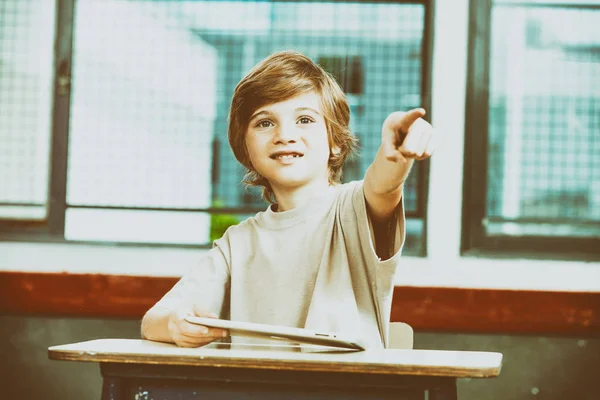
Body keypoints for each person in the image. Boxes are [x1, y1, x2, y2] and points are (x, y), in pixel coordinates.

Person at [141, 50, 434, 349]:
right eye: (264, 123)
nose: (285, 134)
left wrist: (393, 154)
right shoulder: (237, 244)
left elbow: (384, 186)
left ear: (335, 142)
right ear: (245, 149)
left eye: (304, 119)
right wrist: (175, 325)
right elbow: (154, 320)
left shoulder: (354, 207)